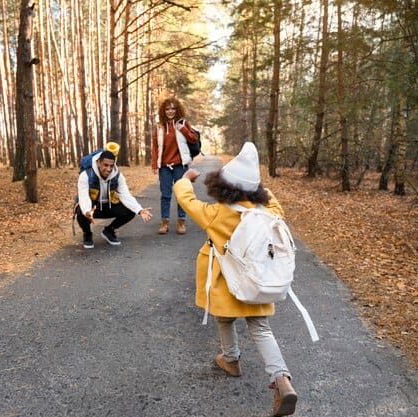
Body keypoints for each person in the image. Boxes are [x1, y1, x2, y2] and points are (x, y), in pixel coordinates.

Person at [172, 142, 298, 417]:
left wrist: (184, 181)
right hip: (256, 281)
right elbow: (272, 200)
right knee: (261, 330)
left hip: (227, 281)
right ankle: (281, 379)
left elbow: (188, 202)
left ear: (223, 187)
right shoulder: (269, 211)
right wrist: (256, 185)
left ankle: (231, 359)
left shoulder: (218, 213)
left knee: (225, 318)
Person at [76, 150, 152, 249]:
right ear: (98, 162)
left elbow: (125, 195)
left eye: (111, 166)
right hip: (93, 208)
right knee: (80, 212)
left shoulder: (117, 175)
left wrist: (140, 210)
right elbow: (83, 196)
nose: (109, 169)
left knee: (130, 210)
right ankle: (87, 233)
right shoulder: (86, 175)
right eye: (105, 165)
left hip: (110, 205)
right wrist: (87, 211)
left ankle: (109, 231)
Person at [151, 97, 200, 235]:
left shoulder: (183, 123)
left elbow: (194, 138)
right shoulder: (160, 126)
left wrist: (183, 129)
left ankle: (181, 222)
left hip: (180, 165)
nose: (170, 111)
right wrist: (155, 163)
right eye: (167, 109)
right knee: (165, 195)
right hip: (165, 167)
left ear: (177, 109)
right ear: (163, 111)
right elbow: (155, 146)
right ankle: (164, 222)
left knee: (181, 194)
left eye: (173, 108)